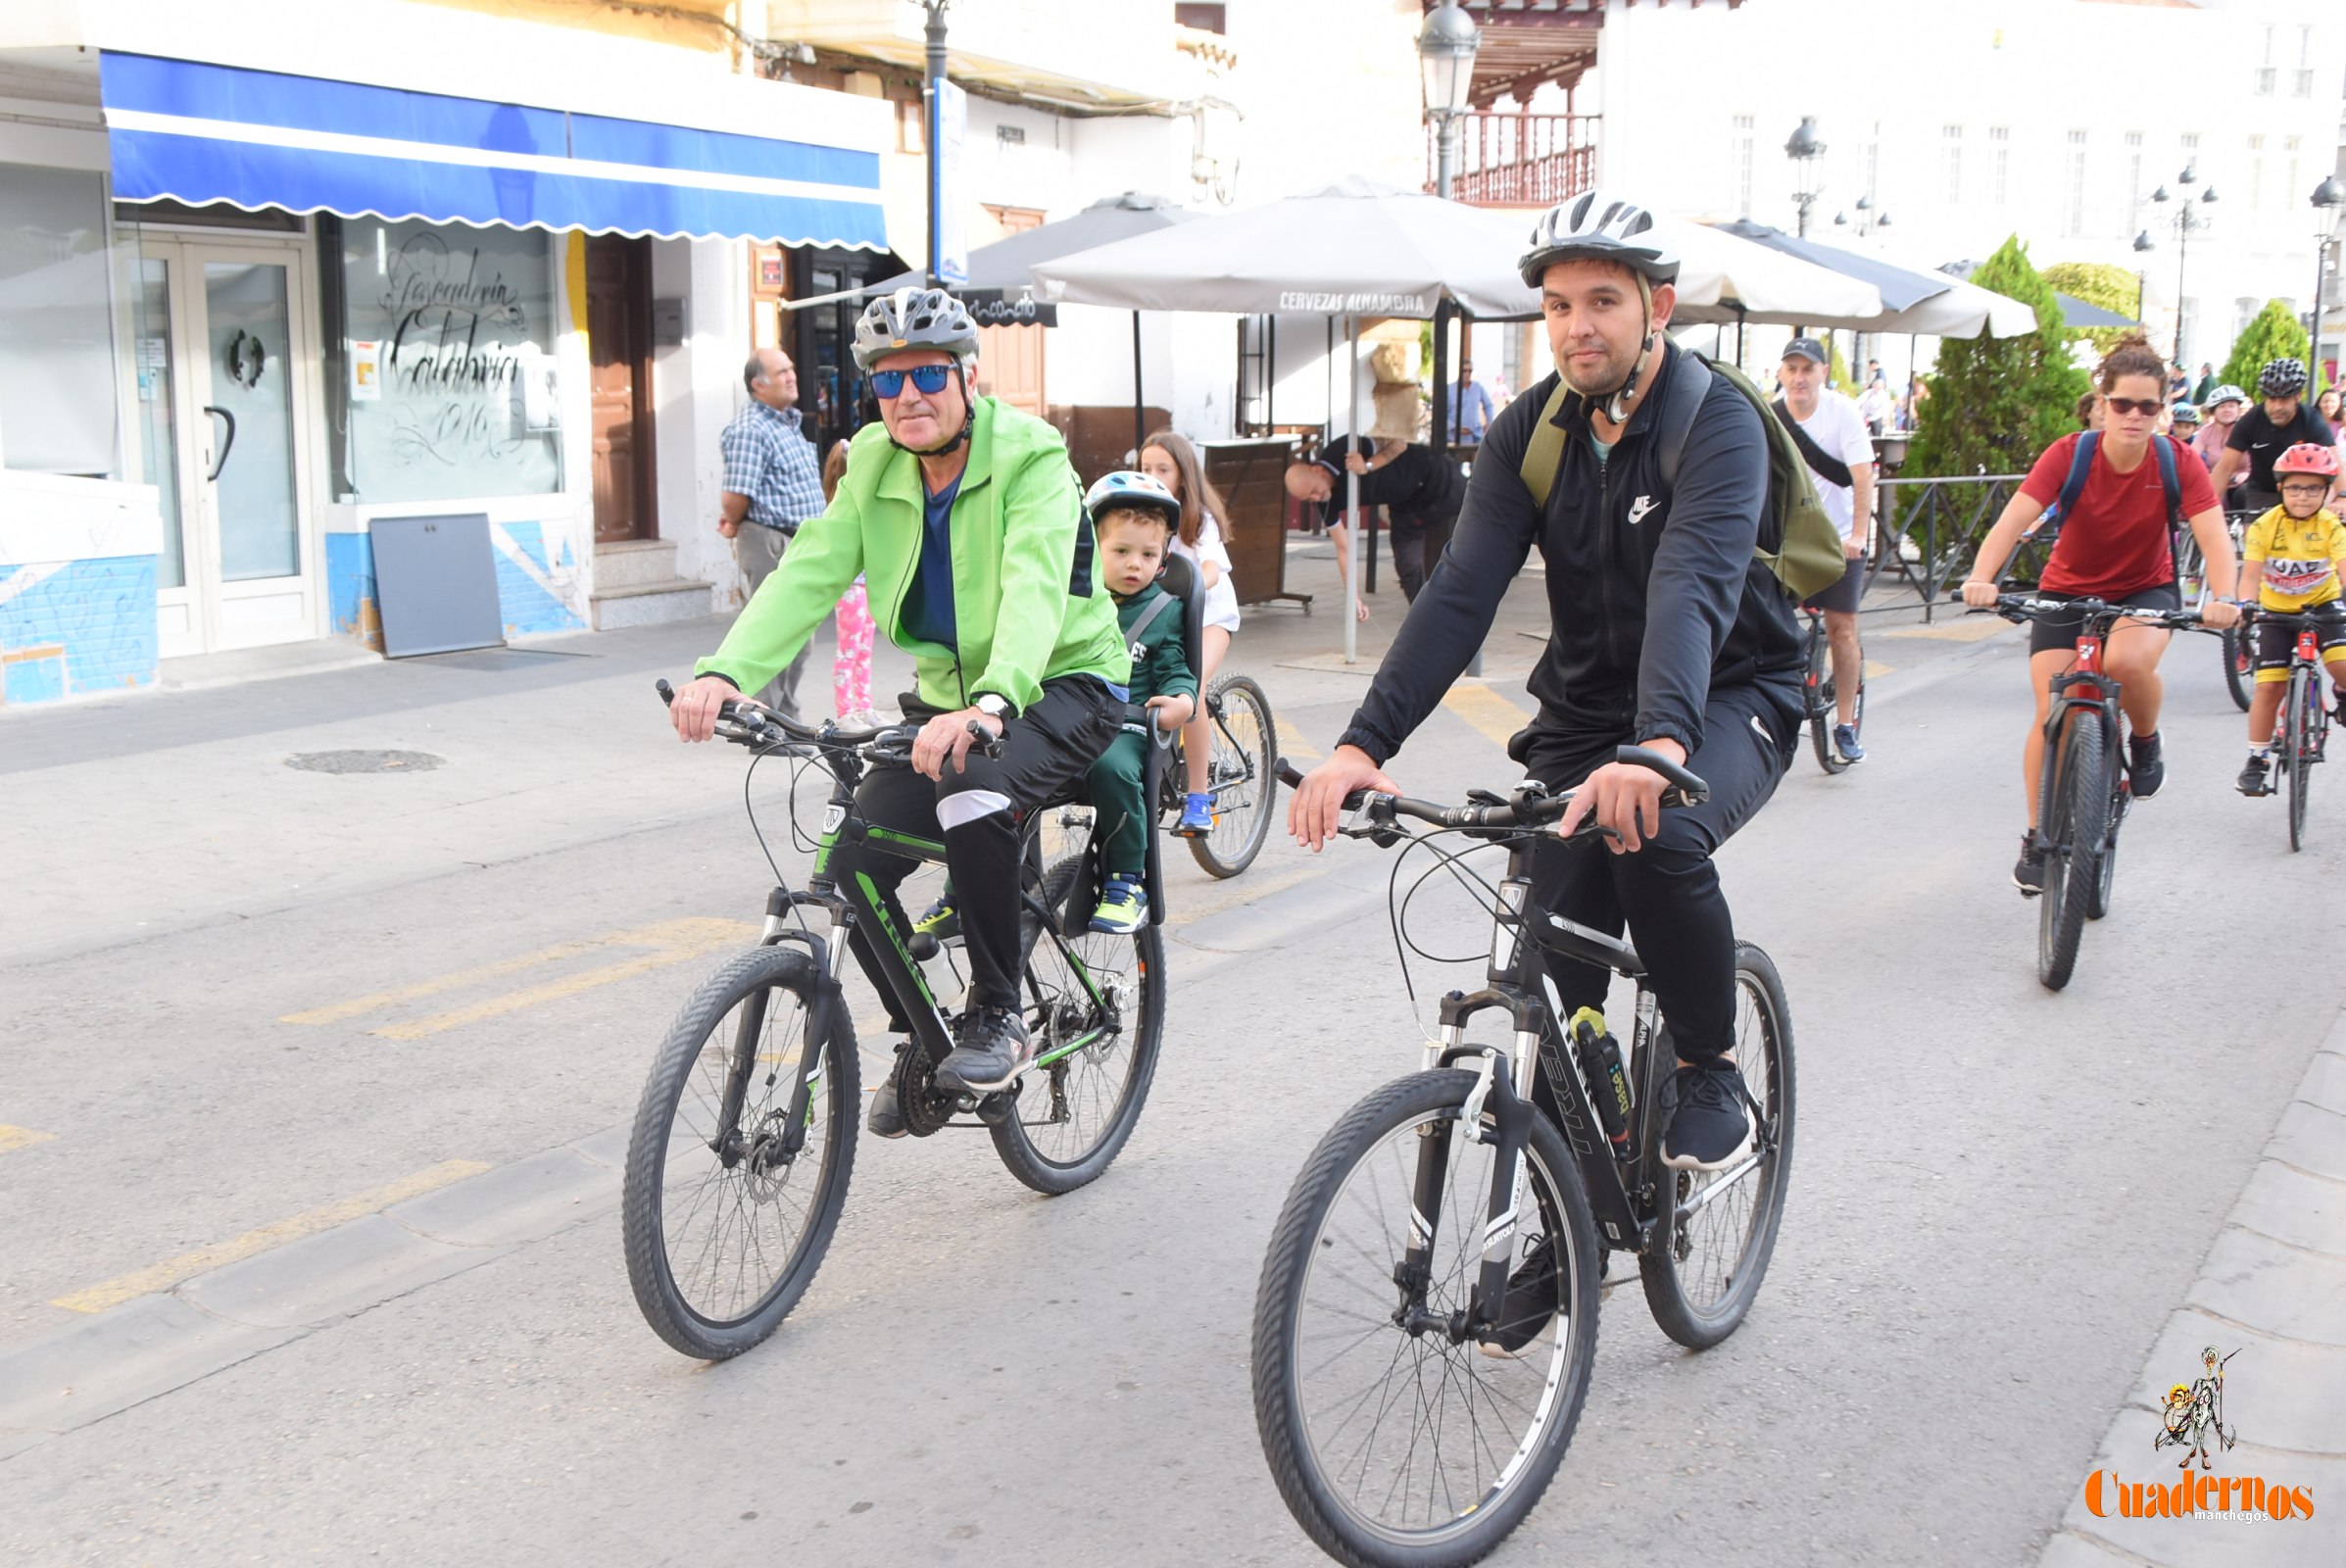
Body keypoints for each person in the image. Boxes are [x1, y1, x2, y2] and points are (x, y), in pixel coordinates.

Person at [1291, 189, 1805, 1183]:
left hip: (1731, 694)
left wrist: (1659, 746)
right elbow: (1459, 594)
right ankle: (1568, 1225)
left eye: (1603, 300)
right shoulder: (1532, 431)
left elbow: (1690, 586)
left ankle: (1708, 1062)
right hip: (1583, 715)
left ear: (1659, 304)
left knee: (1657, 834)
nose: (1578, 324)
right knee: (1553, 979)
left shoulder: (1719, 423)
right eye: (1561, 304)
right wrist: (1364, 745)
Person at [666, 287, 1131, 1131]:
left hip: (1063, 684)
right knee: (851, 861)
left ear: (968, 378)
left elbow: (1033, 590)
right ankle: (924, 1037)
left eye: (926, 375)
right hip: (952, 704)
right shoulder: (877, 463)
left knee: (976, 790)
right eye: (888, 382)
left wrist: (994, 700)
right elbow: (810, 568)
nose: (908, 396)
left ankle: (997, 1015)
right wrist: (725, 672)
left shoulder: (1031, 457)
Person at [1959, 334, 2240, 894]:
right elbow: (2012, 522)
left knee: (2128, 663)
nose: (2135, 417)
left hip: (2147, 588)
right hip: (2066, 591)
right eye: (2122, 404)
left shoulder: (2176, 459)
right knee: (2050, 709)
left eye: (2149, 407)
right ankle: (2039, 837)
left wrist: (2225, 598)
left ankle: (2145, 738)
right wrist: (1981, 579)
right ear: (2101, 402)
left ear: (2163, 410)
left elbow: (2213, 539)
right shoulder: (2070, 454)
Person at [1074, 472, 1198, 930]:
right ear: (1093, 549)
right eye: (1121, 552)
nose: (1134, 565)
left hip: (1127, 727)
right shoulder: (1076, 601)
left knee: (1112, 768)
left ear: (1163, 559)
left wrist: (1181, 702)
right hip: (1071, 719)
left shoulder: (1163, 610)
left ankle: (1127, 880)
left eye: (1148, 555)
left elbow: (1176, 669)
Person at [1777, 337, 1878, 762]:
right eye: (1792, 369)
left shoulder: (1844, 413)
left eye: (1808, 369)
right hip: (1790, 543)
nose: (1800, 378)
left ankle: (1845, 724)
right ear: (1782, 373)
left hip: (1839, 541)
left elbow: (1862, 477)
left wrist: (1858, 535)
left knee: (1842, 630)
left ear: (1822, 373)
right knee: (1764, 621)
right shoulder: (1772, 413)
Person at [1137, 429, 1241, 836]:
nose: (1154, 475)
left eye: (1164, 468)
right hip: (1163, 619)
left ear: (1184, 474)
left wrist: (1190, 585)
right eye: (1146, 468)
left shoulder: (1200, 519)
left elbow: (1213, 567)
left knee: (1190, 692)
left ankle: (1199, 796)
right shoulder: (1141, 513)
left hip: (1208, 617)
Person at [717, 348, 826, 719]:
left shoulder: (785, 423)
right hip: (769, 540)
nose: (792, 376)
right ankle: (765, 720)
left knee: (800, 638)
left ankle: (784, 714)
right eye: (781, 372)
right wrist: (731, 519)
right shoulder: (751, 429)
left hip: (798, 542)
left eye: (791, 368)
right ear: (757, 385)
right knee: (771, 634)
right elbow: (735, 495)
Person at [2234, 444, 2346, 796]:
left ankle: (2341, 693)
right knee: (2269, 687)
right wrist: (2245, 607)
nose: (2304, 496)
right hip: (2277, 611)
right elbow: (2250, 575)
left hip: (2323, 604)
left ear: (2327, 490)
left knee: (2342, 664)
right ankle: (2258, 758)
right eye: (2296, 487)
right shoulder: (2265, 526)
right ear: (2281, 487)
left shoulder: (2331, 525)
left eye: (2314, 488)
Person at [1282, 435, 1465, 604]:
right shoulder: (1325, 501)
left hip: (1434, 476)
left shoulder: (1340, 450)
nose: (1315, 498)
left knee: (1482, 514)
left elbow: (1398, 443)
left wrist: (1368, 465)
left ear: (1317, 470)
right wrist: (1354, 598)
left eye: (1313, 490)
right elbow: (1343, 548)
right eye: (1308, 499)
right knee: (1408, 565)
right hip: (1405, 506)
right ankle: (1425, 620)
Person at [2208, 359, 2341, 516]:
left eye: (2284, 399)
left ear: (2298, 396)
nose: (2277, 406)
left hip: (2303, 492)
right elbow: (2224, 468)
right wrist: (2207, 506)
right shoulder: (2251, 421)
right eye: (2271, 399)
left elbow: (2335, 463)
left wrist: (2342, 499)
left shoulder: (2311, 421)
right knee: (2254, 538)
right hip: (2263, 491)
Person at [818, 439, 881, 728]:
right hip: (852, 588)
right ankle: (846, 712)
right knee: (849, 650)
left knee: (864, 649)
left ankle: (864, 706)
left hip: (867, 584)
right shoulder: (838, 507)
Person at [2195, 383, 2247, 481]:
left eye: (2231, 406)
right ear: (2213, 411)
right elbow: (2191, 456)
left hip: (2244, 482)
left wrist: (2249, 475)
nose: (2227, 410)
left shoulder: (2247, 428)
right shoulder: (2206, 431)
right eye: (2222, 406)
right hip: (2216, 481)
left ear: (2238, 409)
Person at [1448, 360, 1496, 445]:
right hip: (1454, 438)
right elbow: (1442, 414)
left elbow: (1488, 405)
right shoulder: (1450, 389)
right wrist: (1455, 427)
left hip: (1475, 436)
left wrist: (1488, 423)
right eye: (1464, 371)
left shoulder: (1477, 387)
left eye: (1470, 371)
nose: (1467, 373)